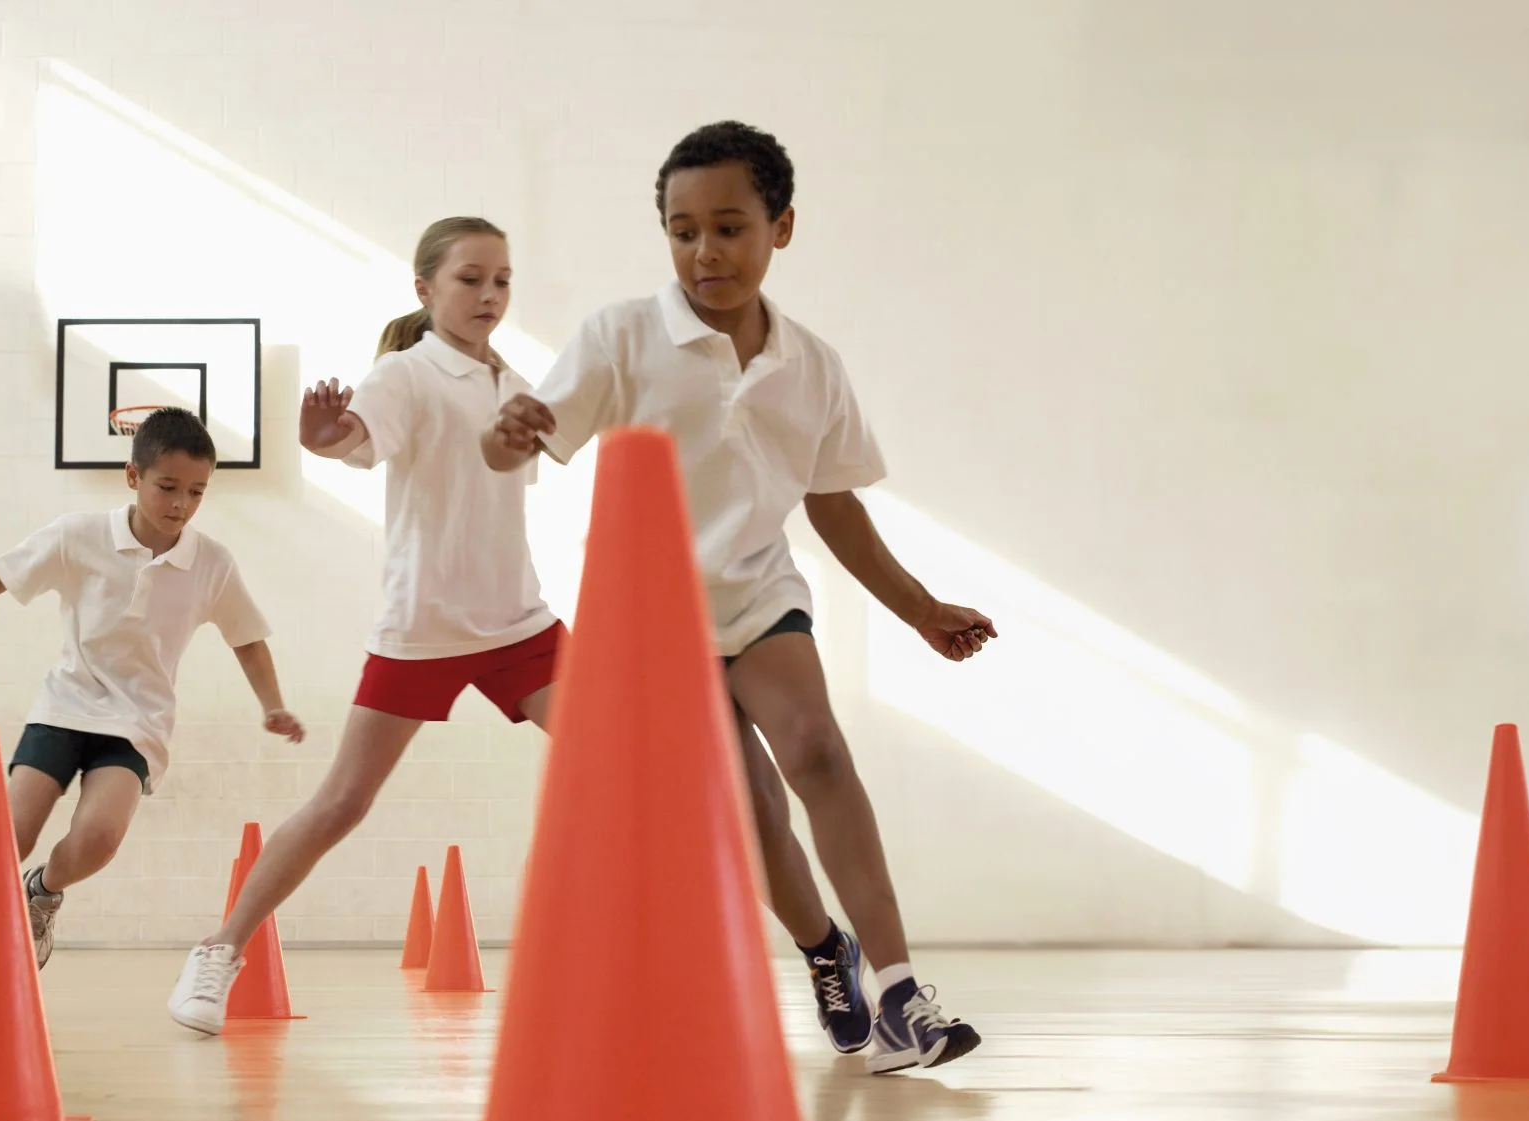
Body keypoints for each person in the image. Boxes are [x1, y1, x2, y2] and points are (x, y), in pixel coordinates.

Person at [491, 122, 991, 1072]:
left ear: (782, 227)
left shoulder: (811, 364)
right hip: (648, 620)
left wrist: (921, 608)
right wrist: (506, 431)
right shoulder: (621, 336)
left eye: (728, 227)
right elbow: (516, 442)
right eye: (682, 231)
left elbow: (832, 502)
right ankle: (823, 951)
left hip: (760, 597)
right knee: (747, 801)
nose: (704, 252)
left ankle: (897, 995)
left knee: (817, 751)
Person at [163, 217, 565, 1036]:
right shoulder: (407, 375)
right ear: (424, 290)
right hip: (423, 626)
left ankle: (611, 948)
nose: (489, 295)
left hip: (521, 625)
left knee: (622, 768)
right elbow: (347, 437)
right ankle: (219, 950)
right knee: (343, 802)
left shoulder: (512, 381)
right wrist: (321, 432)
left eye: (502, 281)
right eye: (470, 279)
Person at [0, 408, 303, 1021]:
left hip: (137, 723)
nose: (181, 505)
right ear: (132, 476)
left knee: (98, 839)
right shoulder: (78, 535)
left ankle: (42, 895)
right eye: (168, 487)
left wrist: (272, 704)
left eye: (196, 493)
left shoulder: (211, 562)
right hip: (65, 706)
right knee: (5, 834)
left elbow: (247, 638)